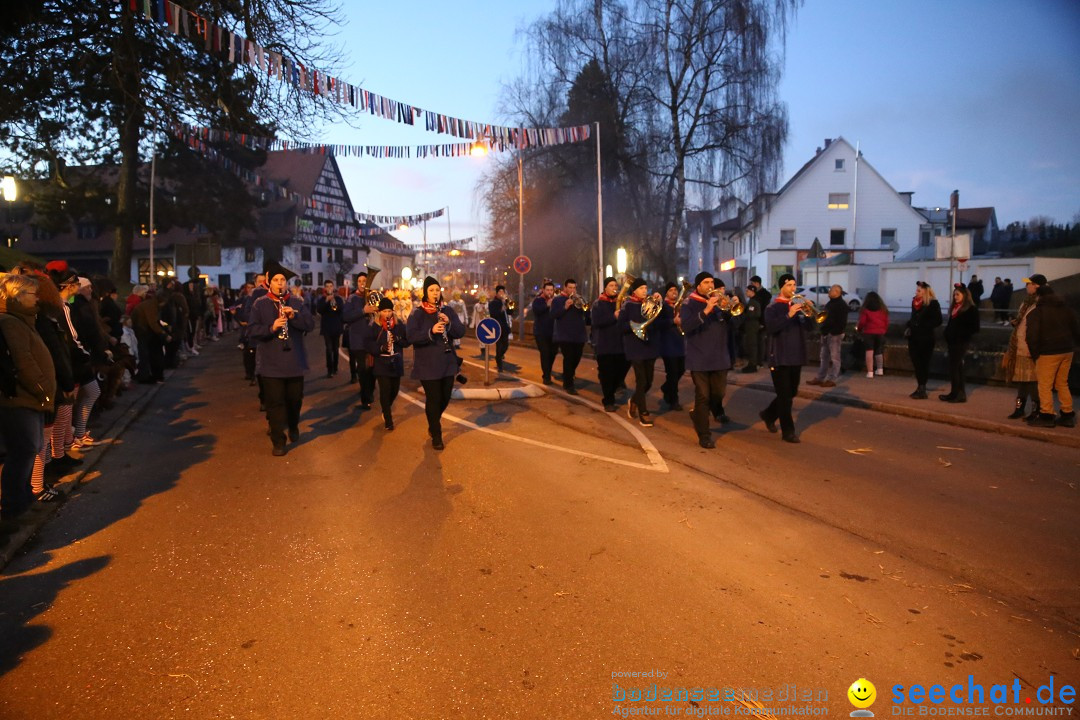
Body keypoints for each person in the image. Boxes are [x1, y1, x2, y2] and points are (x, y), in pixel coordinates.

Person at [0, 274, 56, 522]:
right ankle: (14, 506)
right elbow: (24, 362)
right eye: (33, 295)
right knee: (24, 449)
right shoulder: (11, 323)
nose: (38, 300)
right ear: (17, 296)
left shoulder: (23, 321)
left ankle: (21, 498)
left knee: (30, 447)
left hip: (30, 398)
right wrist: (43, 389)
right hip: (21, 399)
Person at [248, 262, 314, 456]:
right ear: (270, 283)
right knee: (275, 403)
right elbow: (251, 330)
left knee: (294, 400)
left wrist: (295, 316)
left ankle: (293, 425)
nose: (279, 283)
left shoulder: (297, 302)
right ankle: (278, 441)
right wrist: (271, 327)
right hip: (271, 364)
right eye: (276, 280)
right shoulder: (260, 303)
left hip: (294, 362)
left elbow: (310, 325)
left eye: (283, 280)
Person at [407, 276, 466, 450]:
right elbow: (411, 336)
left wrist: (449, 324)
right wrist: (430, 331)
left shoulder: (447, 310)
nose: (435, 293)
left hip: (447, 362)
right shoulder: (417, 312)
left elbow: (460, 331)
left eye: (437, 290)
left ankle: (433, 422)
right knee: (434, 399)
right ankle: (437, 434)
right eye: (431, 290)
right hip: (427, 364)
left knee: (445, 398)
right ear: (425, 292)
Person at [680, 272, 733, 449]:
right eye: (706, 282)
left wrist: (731, 310)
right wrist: (706, 310)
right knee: (703, 396)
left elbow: (733, 326)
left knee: (718, 394)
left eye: (712, 282)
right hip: (699, 358)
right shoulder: (690, 303)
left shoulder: (719, 302)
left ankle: (698, 415)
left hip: (719, 357)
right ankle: (704, 434)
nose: (710, 285)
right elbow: (686, 326)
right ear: (698, 286)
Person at [759, 274, 809, 443]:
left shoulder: (796, 305)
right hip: (779, 356)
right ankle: (788, 431)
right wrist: (789, 314)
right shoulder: (772, 307)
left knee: (791, 392)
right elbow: (772, 328)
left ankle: (768, 414)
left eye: (794, 285)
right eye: (789, 285)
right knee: (785, 395)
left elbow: (811, 327)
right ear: (781, 287)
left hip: (796, 355)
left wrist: (809, 312)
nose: (793, 288)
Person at [1025, 280, 1080, 428]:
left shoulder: (1038, 312)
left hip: (1048, 352)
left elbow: (1032, 336)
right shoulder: (1067, 310)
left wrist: (1035, 354)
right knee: (1062, 383)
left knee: (1045, 384)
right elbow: (1076, 330)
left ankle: (1047, 415)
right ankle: (1067, 414)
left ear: (1039, 297)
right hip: (1067, 351)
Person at [618, 278, 661, 427]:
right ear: (634, 290)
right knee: (641, 380)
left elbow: (658, 322)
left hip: (649, 346)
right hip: (634, 347)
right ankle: (644, 412)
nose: (645, 290)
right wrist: (633, 326)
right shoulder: (628, 305)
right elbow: (620, 326)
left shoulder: (649, 303)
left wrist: (658, 304)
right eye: (641, 288)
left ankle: (635, 400)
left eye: (646, 288)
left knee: (648, 381)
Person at [365, 297, 409, 431]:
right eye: (384, 311)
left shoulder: (399, 325)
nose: (387, 314)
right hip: (381, 363)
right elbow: (368, 344)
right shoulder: (375, 326)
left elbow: (407, 342)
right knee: (385, 390)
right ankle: (388, 420)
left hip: (395, 362)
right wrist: (381, 348)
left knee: (394, 390)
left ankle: (386, 408)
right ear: (380, 312)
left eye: (389, 311)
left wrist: (398, 339)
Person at [1002, 275, 1041, 419]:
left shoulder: (1039, 303)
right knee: (1021, 380)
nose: (1026, 286)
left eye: (1029, 284)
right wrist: (1016, 322)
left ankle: (1036, 409)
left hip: (1030, 348)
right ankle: (1019, 408)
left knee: (1031, 380)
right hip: (1019, 346)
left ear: (1036, 286)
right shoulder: (1026, 302)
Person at [939, 283, 979, 403]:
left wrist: (960, 334)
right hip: (952, 342)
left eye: (957, 294)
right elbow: (951, 325)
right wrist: (947, 333)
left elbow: (975, 327)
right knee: (956, 368)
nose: (955, 297)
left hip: (961, 342)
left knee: (955, 368)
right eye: (954, 294)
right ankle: (955, 392)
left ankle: (959, 393)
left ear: (965, 295)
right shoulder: (955, 308)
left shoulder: (971, 309)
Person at [343, 273, 378, 407]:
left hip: (372, 339)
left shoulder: (374, 296)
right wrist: (363, 311)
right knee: (362, 370)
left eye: (365, 281)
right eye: (360, 281)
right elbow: (345, 317)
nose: (362, 283)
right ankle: (366, 398)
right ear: (357, 283)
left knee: (373, 369)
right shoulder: (352, 298)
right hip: (358, 340)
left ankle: (369, 390)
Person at [590, 277, 624, 411]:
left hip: (620, 344)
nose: (614, 287)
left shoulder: (621, 302)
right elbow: (597, 321)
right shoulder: (598, 303)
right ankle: (608, 401)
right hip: (604, 344)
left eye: (615, 285)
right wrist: (613, 317)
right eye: (611, 285)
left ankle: (612, 389)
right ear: (605, 288)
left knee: (620, 373)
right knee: (607, 374)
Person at [807, 284, 850, 388]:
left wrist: (833, 332)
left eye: (831, 290)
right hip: (826, 333)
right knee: (824, 357)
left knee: (835, 357)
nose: (829, 291)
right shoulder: (830, 303)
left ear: (837, 292)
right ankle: (820, 378)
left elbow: (842, 322)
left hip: (834, 334)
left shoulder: (841, 305)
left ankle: (832, 379)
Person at [905, 281, 942, 399]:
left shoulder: (932, 303)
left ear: (925, 292)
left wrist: (923, 325)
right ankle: (920, 386)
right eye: (916, 290)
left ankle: (922, 387)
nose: (916, 292)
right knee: (916, 362)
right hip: (914, 338)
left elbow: (938, 320)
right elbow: (913, 317)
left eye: (919, 290)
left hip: (926, 338)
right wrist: (909, 325)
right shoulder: (915, 302)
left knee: (923, 363)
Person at [551, 278, 587, 395]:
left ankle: (568, 375)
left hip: (579, 334)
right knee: (569, 358)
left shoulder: (578, 300)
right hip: (565, 335)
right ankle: (568, 384)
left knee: (577, 358)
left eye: (574, 288)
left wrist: (585, 308)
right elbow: (554, 315)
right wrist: (565, 307)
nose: (572, 290)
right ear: (565, 287)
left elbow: (586, 314)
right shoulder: (558, 300)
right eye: (570, 288)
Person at [658, 282, 686, 410]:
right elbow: (657, 323)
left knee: (681, 369)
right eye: (671, 290)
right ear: (666, 293)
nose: (674, 292)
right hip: (667, 344)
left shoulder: (680, 305)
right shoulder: (662, 306)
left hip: (679, 343)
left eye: (675, 289)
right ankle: (674, 400)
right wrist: (672, 321)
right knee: (673, 373)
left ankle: (666, 388)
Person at [855, 291, 889, 378]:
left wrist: (859, 329)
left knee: (869, 351)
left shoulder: (865, 310)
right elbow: (886, 322)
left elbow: (862, 322)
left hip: (868, 332)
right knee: (878, 351)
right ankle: (880, 369)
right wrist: (884, 330)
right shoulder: (883, 309)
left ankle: (870, 372)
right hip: (880, 332)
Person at [316, 279, 344, 378]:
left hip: (336, 327)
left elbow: (340, 310)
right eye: (327, 286)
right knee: (328, 349)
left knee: (335, 349)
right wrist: (327, 301)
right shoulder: (322, 300)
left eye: (330, 286)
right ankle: (329, 369)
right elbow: (319, 310)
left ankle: (335, 367)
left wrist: (334, 301)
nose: (329, 288)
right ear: (325, 288)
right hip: (327, 328)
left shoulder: (338, 298)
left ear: (333, 287)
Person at [531, 280, 557, 385]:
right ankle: (546, 376)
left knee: (553, 354)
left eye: (551, 290)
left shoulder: (556, 301)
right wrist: (547, 305)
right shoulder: (538, 300)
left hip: (554, 332)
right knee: (545, 353)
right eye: (547, 290)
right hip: (541, 332)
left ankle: (548, 371)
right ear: (543, 290)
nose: (549, 292)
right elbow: (537, 311)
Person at [488, 285, 513, 372]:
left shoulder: (506, 301)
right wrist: (501, 310)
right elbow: (493, 314)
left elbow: (510, 312)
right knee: (499, 346)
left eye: (503, 292)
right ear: (497, 293)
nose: (502, 294)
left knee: (506, 345)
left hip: (505, 327)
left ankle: (498, 356)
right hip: (497, 327)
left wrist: (509, 304)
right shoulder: (493, 303)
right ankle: (499, 365)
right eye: (500, 292)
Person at [740, 285, 763, 373]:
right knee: (750, 345)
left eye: (747, 291)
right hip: (750, 326)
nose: (746, 293)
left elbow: (754, 314)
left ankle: (752, 364)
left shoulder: (753, 302)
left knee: (752, 345)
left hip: (752, 326)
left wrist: (746, 313)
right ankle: (752, 363)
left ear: (752, 291)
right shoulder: (751, 302)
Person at [470, 292, 490, 357]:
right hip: (479, 323)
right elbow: (474, 315)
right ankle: (482, 350)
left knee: (486, 337)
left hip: (487, 323)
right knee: (480, 337)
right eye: (481, 297)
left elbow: (490, 314)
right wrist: (472, 324)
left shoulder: (488, 305)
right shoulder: (477, 306)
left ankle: (486, 350)